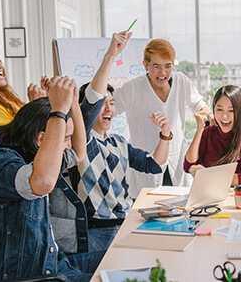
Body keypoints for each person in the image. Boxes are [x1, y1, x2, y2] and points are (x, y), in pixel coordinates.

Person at [0, 76, 105, 281]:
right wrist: (58, 110)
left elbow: (79, 152)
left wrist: (71, 103)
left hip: (55, 266)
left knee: (123, 260)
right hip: (36, 277)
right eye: (65, 138)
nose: (67, 145)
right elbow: (41, 183)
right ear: (42, 139)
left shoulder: (38, 157)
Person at [73, 31, 171, 252]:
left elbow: (153, 165)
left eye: (113, 103)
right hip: (97, 230)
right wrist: (110, 55)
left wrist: (165, 134)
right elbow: (91, 102)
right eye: (103, 104)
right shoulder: (83, 140)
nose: (108, 109)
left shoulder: (118, 142)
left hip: (125, 222)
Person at [113, 38, 212, 197]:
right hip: (145, 166)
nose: (163, 73)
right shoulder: (133, 88)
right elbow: (110, 108)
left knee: (179, 210)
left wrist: (211, 115)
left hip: (175, 162)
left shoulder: (181, 81)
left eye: (168, 66)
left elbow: (199, 104)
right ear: (146, 65)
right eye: (157, 67)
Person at [183, 85, 241, 187]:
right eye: (219, 109)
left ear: (240, 112)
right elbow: (189, 167)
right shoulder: (207, 133)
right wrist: (199, 129)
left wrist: (209, 175)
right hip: (207, 195)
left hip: (235, 198)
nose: (224, 116)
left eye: (231, 111)